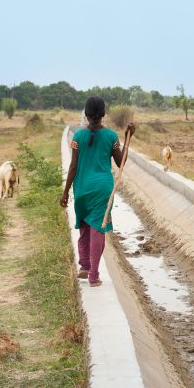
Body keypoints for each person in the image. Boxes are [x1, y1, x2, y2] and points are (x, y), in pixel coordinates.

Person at [60, 96, 135, 287]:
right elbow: (121, 163)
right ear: (103, 114)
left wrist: (65, 191)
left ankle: (85, 266)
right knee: (98, 229)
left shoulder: (78, 137)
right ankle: (93, 275)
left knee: (84, 227)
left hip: (82, 188)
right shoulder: (111, 137)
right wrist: (128, 138)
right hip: (103, 189)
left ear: (85, 115)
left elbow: (73, 167)